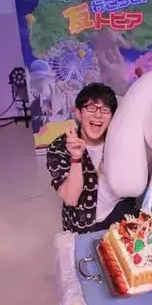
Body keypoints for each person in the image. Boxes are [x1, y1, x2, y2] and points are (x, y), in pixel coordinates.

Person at [46, 83, 138, 234]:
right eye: (91, 108)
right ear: (78, 113)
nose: (98, 115)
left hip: (121, 212)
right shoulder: (59, 148)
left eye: (105, 109)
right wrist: (76, 158)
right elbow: (70, 199)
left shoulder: (121, 140)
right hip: (84, 224)